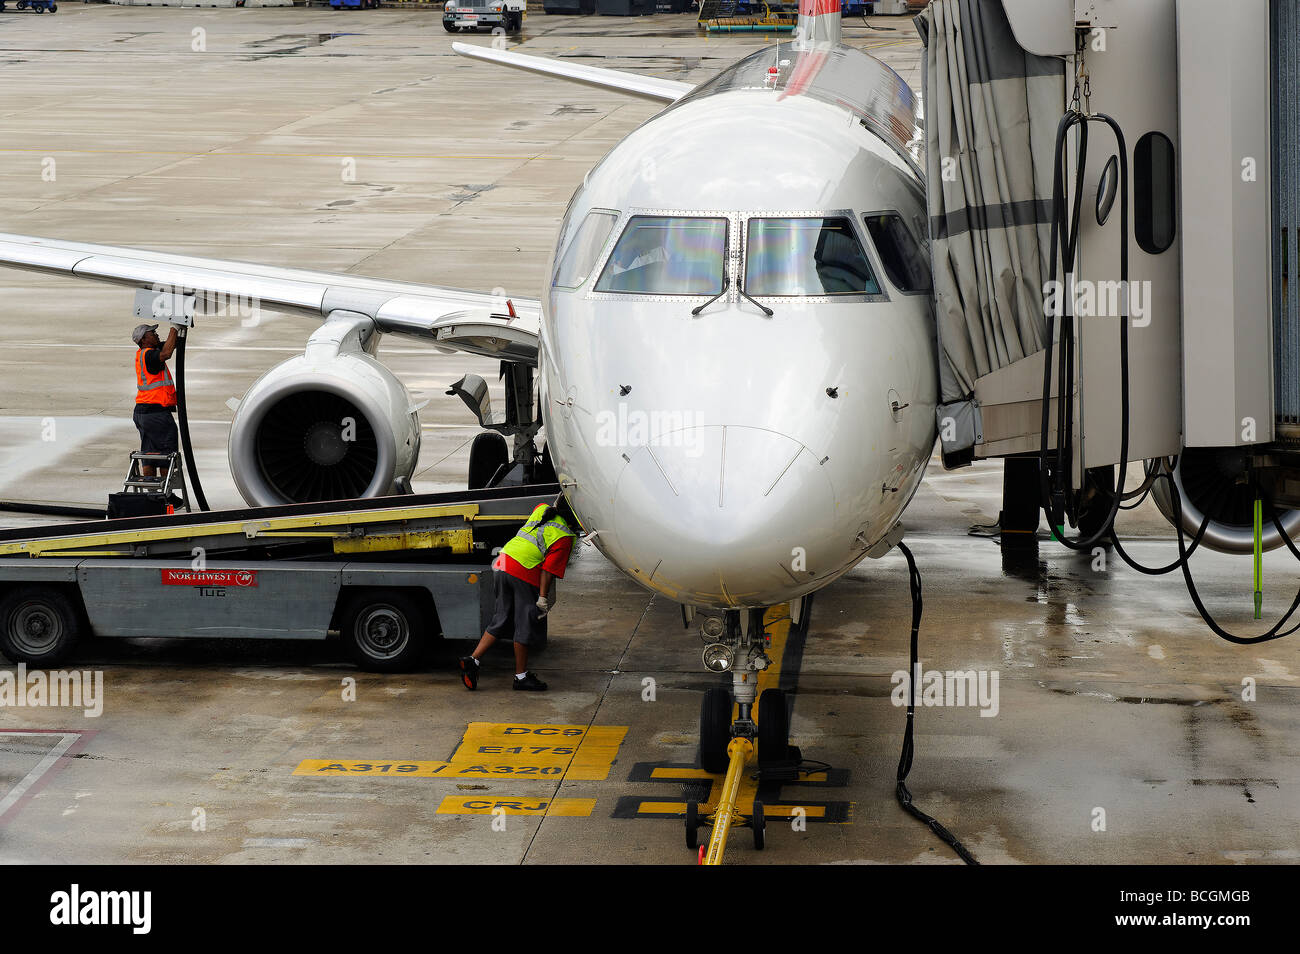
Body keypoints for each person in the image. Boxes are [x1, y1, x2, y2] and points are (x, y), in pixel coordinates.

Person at [460, 494, 579, 692]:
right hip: (523, 571)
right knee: (525, 624)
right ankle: (521, 677)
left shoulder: (541, 509)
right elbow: (547, 572)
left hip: (502, 562)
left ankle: (473, 660)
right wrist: (542, 598)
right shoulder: (564, 536)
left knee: (501, 618)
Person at [131, 323, 179, 478]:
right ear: (144, 339)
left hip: (142, 413)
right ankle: (166, 496)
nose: (157, 334)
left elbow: (170, 346)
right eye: (153, 333)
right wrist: (175, 327)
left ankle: (151, 495)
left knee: (149, 456)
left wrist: (177, 333)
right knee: (166, 455)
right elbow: (167, 353)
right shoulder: (150, 355)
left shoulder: (144, 354)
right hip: (156, 413)